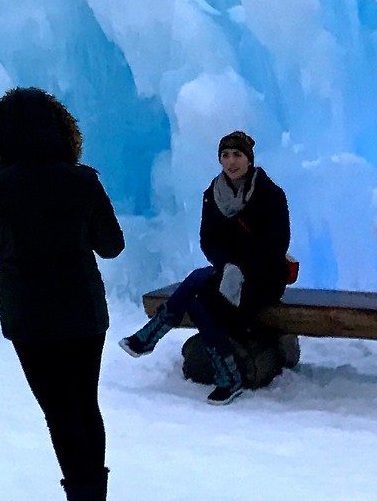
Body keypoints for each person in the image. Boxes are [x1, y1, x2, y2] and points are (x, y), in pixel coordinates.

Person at [0, 87, 125, 501]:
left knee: (60, 412)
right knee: (85, 406)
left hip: (31, 315)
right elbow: (111, 244)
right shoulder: (84, 180)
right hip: (83, 310)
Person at [120, 130, 291, 405]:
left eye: (237, 155)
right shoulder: (214, 194)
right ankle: (154, 338)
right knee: (196, 281)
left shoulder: (271, 195)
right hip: (229, 272)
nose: (231, 161)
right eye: (225, 155)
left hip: (263, 277)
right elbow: (208, 240)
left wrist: (239, 267)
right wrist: (227, 265)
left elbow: (276, 246)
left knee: (200, 301)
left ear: (249, 159)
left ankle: (223, 373)